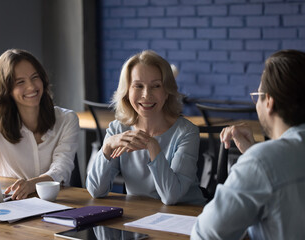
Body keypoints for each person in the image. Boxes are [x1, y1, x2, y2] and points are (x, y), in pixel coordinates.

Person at [191, 49, 305, 239]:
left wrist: (255, 159)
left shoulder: (261, 162)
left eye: (257, 94)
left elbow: (206, 234)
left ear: (268, 101)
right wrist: (253, 153)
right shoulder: (264, 161)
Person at [86, 50, 205, 205]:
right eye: (138, 86)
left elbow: (171, 197)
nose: (146, 95)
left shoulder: (187, 132)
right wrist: (107, 147)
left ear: (167, 91)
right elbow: (95, 191)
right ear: (127, 91)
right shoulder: (117, 129)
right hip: (139, 218)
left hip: (186, 217)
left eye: (156, 86)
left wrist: (152, 146)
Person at [0, 49, 80, 200]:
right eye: (20, 82)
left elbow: (61, 169)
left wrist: (32, 184)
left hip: (59, 204)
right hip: (13, 206)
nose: (31, 87)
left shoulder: (67, 120)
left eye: (34, 77)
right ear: (6, 90)